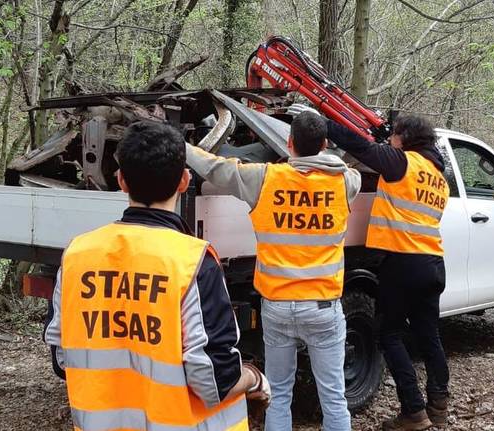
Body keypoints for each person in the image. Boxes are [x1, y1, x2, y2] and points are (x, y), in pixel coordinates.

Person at [44, 121, 270, 431]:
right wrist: (254, 378)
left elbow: (62, 359)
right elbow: (213, 381)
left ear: (121, 181)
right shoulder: (193, 262)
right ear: (184, 180)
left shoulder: (76, 256)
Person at [187, 111, 361, 431]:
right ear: (324, 144)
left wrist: (181, 146)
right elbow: (345, 165)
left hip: (278, 306)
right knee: (334, 398)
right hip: (323, 308)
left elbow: (214, 167)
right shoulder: (347, 181)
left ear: (289, 142)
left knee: (279, 394)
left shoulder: (264, 178)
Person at [328, 115, 450, 431]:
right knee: (429, 335)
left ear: (405, 139)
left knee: (389, 334)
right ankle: (438, 403)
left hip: (404, 263)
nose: (390, 141)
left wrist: (324, 126)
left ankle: (413, 411)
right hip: (434, 263)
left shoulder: (402, 163)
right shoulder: (438, 176)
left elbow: (361, 147)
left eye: (394, 136)